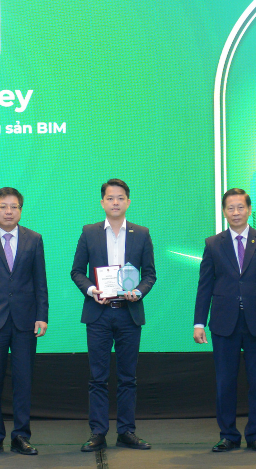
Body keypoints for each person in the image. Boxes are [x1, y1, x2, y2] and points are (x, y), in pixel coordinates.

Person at [193, 188, 256, 452]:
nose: (235, 212)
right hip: (224, 323)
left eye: (240, 207)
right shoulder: (213, 244)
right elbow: (204, 286)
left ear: (248, 210)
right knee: (225, 383)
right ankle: (228, 435)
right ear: (224, 212)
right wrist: (199, 323)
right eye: (230, 208)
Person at [70, 178, 156, 452]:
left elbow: (150, 274)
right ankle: (98, 432)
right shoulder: (89, 232)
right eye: (110, 198)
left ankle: (126, 432)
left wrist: (139, 292)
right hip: (99, 314)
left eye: (120, 198)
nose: (115, 202)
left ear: (128, 202)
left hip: (129, 314)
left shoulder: (141, 233)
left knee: (128, 377)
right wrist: (91, 290)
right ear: (102, 202)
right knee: (98, 377)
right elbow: (77, 271)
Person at [0, 187, 48, 456]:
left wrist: (42, 315)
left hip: (25, 321)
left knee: (23, 382)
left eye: (14, 206)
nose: (8, 211)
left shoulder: (34, 239)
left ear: (21, 210)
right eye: (3, 207)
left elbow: (40, 282)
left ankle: (21, 437)